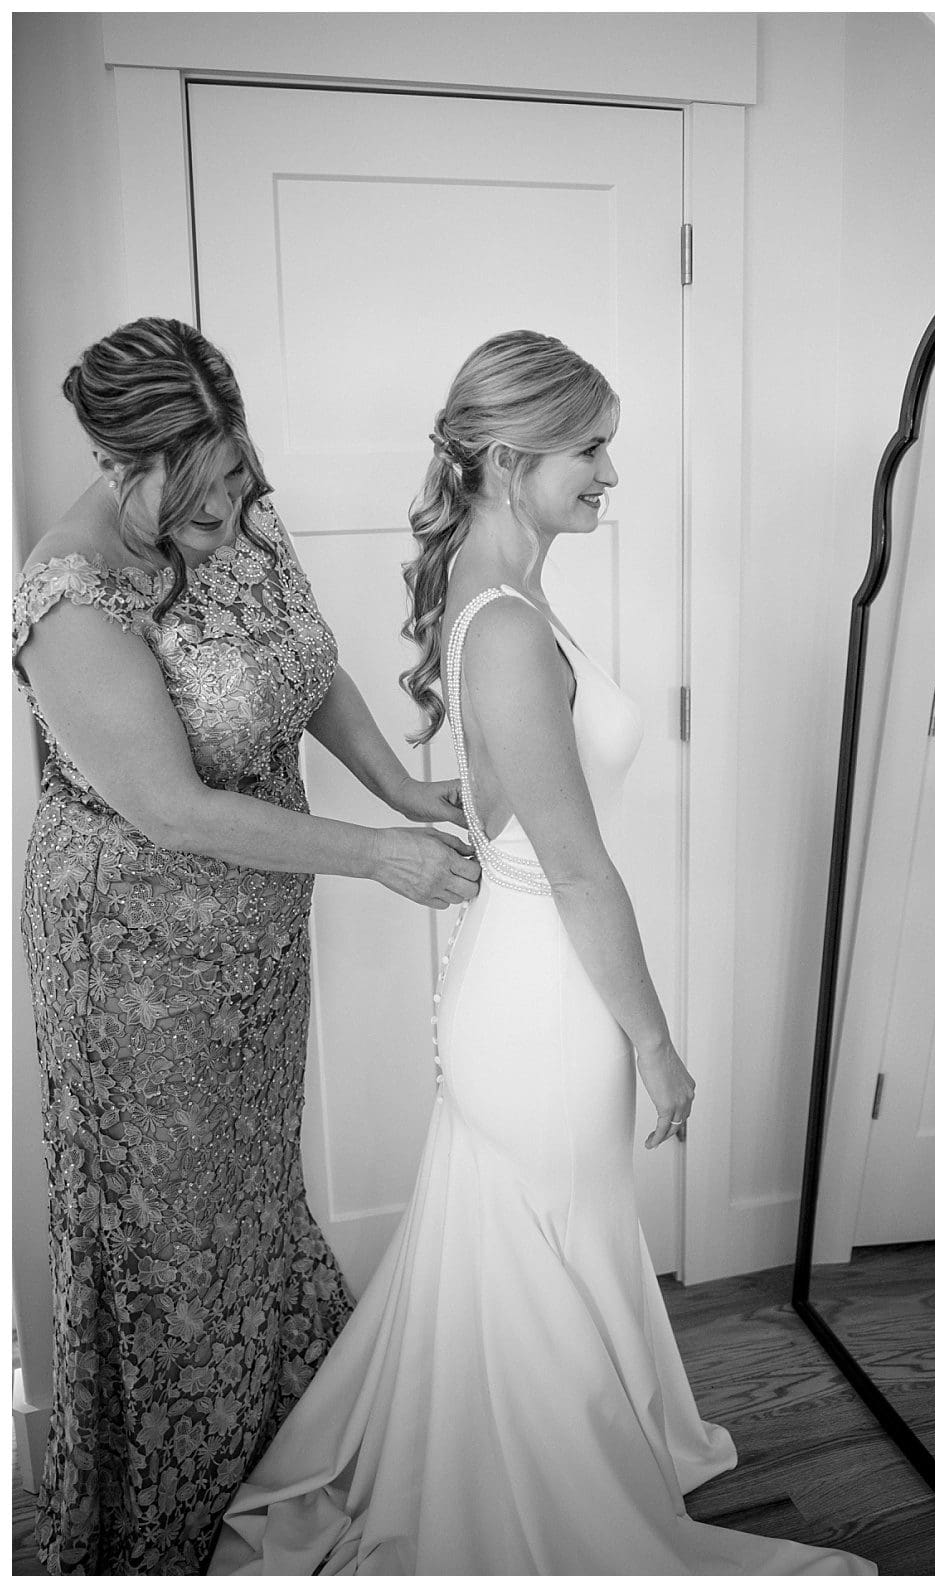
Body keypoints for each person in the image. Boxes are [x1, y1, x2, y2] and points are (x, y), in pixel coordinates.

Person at [212, 332, 872, 1574]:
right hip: (544, 994)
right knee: (548, 1249)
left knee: (541, 1247)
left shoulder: (499, 591)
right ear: (512, 461)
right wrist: (659, 1045)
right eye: (592, 447)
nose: (611, 471)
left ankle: (563, 1457)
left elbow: (506, 801)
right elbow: (578, 867)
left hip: (523, 972)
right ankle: (542, 1510)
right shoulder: (506, 622)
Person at [13, 317, 478, 1573]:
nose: (231, 527)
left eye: (239, 491)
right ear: (128, 470)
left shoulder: (232, 497)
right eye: (205, 509)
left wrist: (400, 793)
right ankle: (159, 1517)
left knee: (251, 1203)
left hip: (253, 941)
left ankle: (276, 1450)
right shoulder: (67, 595)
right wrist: (380, 861)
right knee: (170, 1237)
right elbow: (169, 805)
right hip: (133, 963)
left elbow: (307, 668)